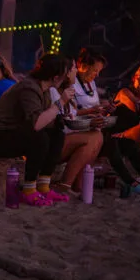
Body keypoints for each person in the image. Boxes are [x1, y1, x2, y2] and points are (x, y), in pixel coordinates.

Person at [0, 54, 72, 207]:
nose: (65, 78)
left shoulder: (43, 90)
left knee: (57, 133)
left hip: (10, 133)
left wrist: (61, 116)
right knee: (39, 138)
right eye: (64, 74)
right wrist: (60, 103)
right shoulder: (29, 88)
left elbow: (45, 120)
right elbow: (36, 124)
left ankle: (44, 186)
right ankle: (29, 190)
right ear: (55, 76)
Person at [75, 48, 140, 196]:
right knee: (112, 140)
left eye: (99, 71)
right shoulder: (72, 84)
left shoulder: (90, 84)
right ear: (83, 66)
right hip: (79, 128)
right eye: (95, 70)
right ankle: (131, 182)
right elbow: (72, 113)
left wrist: (106, 108)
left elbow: (95, 109)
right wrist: (94, 111)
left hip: (95, 125)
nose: (97, 75)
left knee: (126, 143)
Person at [48, 59, 105, 194]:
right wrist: (89, 122)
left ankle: (77, 183)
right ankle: (65, 184)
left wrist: (90, 118)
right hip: (52, 143)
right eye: (74, 68)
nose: (76, 71)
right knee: (94, 137)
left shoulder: (66, 91)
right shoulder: (54, 92)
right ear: (66, 73)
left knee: (97, 135)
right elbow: (62, 123)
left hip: (62, 139)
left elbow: (72, 117)